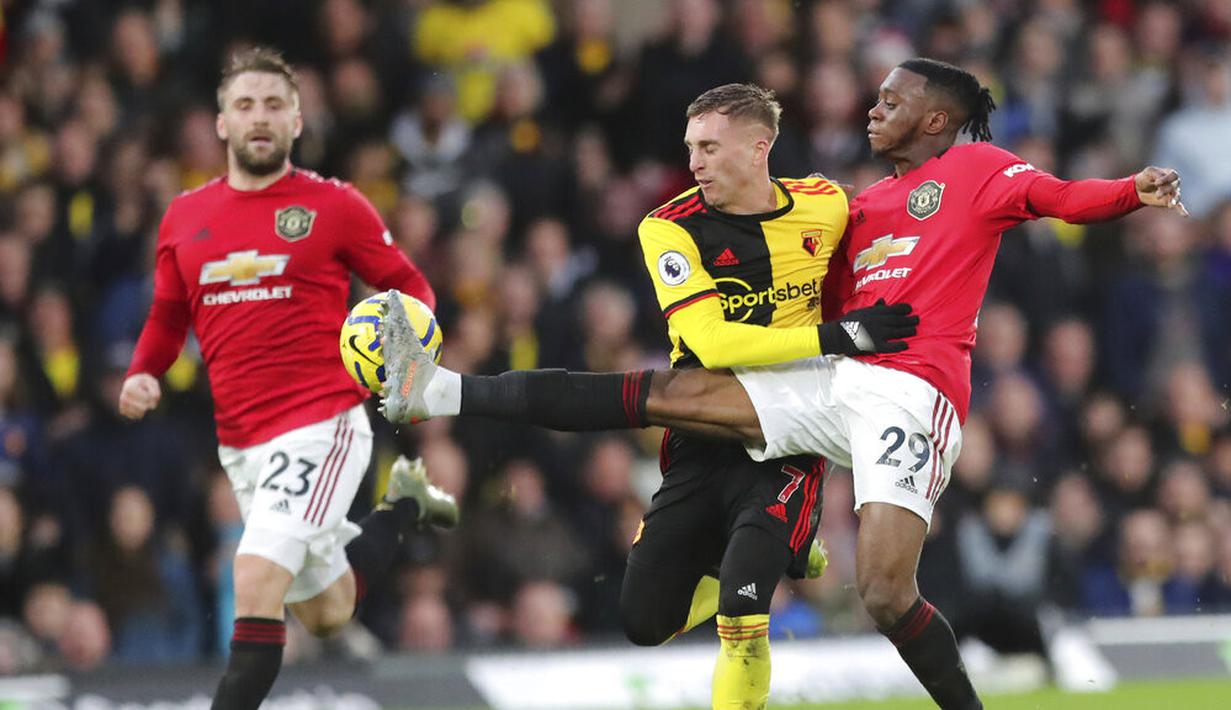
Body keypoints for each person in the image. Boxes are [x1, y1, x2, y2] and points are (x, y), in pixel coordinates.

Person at [379, 58, 1186, 710]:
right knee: (676, 392)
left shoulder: (973, 168)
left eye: (891, 100)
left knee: (881, 592)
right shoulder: (854, 208)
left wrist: (1127, 192)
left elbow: (1054, 196)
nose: (873, 111)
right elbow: (821, 305)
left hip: (912, 393)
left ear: (934, 119)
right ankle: (446, 392)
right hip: (835, 376)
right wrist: (834, 336)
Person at [118, 47, 459, 710]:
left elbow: (411, 288)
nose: (259, 117)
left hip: (321, 425)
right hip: (241, 443)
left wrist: (400, 351)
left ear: (297, 120)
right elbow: (166, 316)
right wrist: (142, 373)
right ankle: (405, 506)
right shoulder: (183, 217)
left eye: (274, 104)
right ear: (220, 123)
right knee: (326, 613)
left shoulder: (334, 206)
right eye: (244, 105)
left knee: (252, 573)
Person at [613, 83, 915, 710]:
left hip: (796, 428)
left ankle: (771, 555)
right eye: (690, 147)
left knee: (744, 615)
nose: (693, 162)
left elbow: (894, 239)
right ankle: (790, 549)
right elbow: (709, 340)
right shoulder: (668, 228)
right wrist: (837, 335)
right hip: (705, 427)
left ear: (759, 148)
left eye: (708, 147)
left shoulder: (826, 204)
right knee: (643, 623)